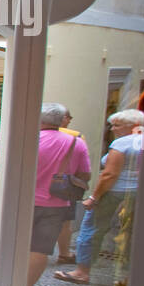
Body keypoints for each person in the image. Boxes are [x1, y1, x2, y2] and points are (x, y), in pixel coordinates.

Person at [55, 109, 144, 286]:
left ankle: (82, 271)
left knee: (92, 229)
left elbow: (110, 174)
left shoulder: (121, 143)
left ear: (133, 125)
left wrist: (94, 197)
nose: (113, 129)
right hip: (138, 192)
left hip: (114, 192)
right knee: (131, 233)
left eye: (117, 125)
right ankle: (130, 276)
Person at [26, 103, 91, 286]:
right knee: (40, 248)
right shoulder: (75, 143)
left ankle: (7, 285)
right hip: (55, 204)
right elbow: (85, 174)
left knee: (17, 244)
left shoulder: (28, 139)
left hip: (24, 200)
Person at [54, 108, 83, 263]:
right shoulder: (76, 137)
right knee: (65, 222)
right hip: (64, 184)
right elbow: (84, 169)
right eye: (69, 117)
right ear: (63, 118)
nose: (70, 120)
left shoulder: (35, 135)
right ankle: (64, 253)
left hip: (38, 183)